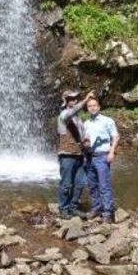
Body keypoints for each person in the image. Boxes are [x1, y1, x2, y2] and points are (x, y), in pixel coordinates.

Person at [57, 89, 93, 219]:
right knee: (66, 183)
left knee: (79, 183)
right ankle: (63, 209)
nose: (75, 100)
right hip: (66, 155)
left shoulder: (78, 119)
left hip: (79, 155)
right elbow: (72, 111)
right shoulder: (63, 115)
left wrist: (86, 142)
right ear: (66, 101)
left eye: (76, 98)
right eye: (71, 99)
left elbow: (82, 136)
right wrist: (86, 99)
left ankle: (73, 207)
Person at [82, 95, 119, 222]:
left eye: (94, 106)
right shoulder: (86, 123)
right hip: (89, 157)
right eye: (89, 106)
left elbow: (115, 137)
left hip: (103, 155)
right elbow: (85, 140)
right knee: (92, 185)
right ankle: (97, 207)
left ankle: (108, 212)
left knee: (104, 185)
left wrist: (112, 152)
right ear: (87, 108)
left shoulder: (107, 121)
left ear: (99, 107)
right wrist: (85, 144)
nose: (92, 108)